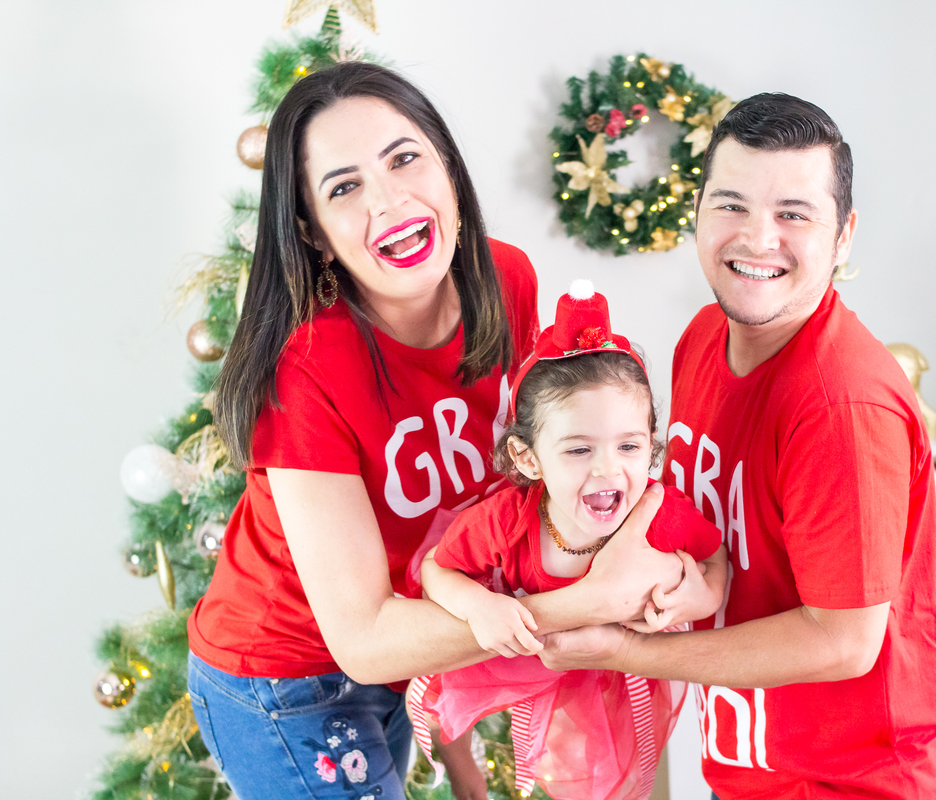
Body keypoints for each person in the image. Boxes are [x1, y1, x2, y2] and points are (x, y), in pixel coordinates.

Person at [184, 62, 683, 800]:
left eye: (404, 158)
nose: (389, 199)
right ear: (315, 236)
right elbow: (361, 640)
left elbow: (509, 498)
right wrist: (589, 601)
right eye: (344, 187)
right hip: (287, 681)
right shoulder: (306, 372)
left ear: (448, 169)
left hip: (411, 651)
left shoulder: (506, 280)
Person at [538, 94, 936, 799]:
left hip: (857, 785)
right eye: (731, 204)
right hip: (754, 767)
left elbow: (843, 642)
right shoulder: (702, 341)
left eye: (794, 215)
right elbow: (713, 526)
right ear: (698, 211)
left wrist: (634, 650)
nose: (757, 238)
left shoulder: (842, 403)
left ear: (843, 236)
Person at [407, 281, 728, 800]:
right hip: (517, 670)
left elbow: (716, 559)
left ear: (650, 447)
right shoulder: (507, 521)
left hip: (618, 678)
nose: (608, 469)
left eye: (628, 446)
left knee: (616, 779)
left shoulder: (656, 514)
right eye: (579, 450)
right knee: (502, 762)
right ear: (530, 459)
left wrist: (701, 595)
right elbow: (436, 570)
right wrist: (476, 605)